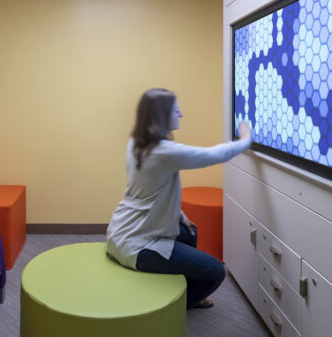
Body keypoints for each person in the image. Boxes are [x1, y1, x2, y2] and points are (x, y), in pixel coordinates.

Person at [106, 88, 252, 309]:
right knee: (215, 271)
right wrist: (245, 139)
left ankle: (182, 287)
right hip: (136, 246)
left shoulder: (136, 142)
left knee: (189, 231)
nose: (181, 114)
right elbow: (213, 155)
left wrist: (180, 215)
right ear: (161, 116)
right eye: (176, 110)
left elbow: (150, 191)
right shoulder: (163, 152)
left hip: (120, 233)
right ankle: (176, 306)